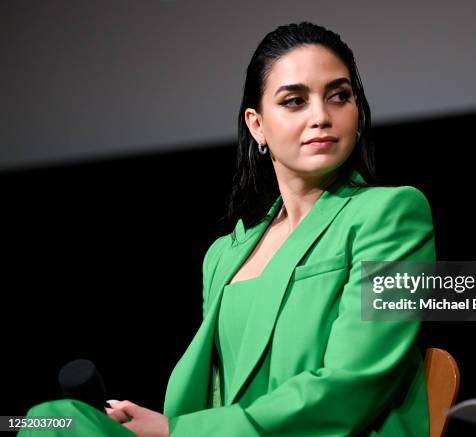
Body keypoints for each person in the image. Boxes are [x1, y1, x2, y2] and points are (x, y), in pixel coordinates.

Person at [19, 21, 435, 436]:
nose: (321, 117)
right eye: (295, 101)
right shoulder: (223, 255)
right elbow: (217, 395)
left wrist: (177, 431)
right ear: (257, 125)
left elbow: (354, 384)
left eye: (339, 96)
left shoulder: (392, 213)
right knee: (50, 419)